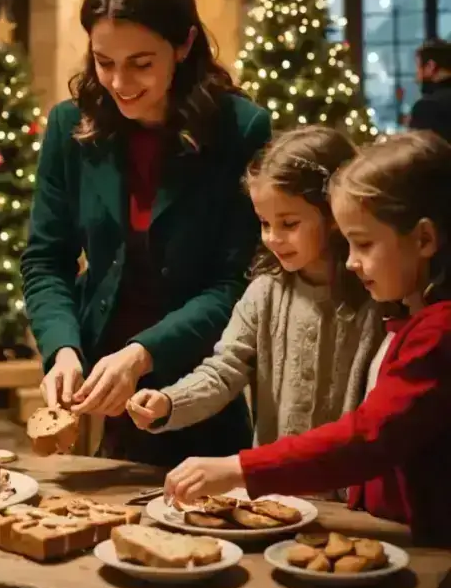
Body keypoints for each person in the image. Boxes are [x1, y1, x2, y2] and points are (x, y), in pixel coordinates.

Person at [20, 0, 271, 467]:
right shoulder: (70, 126)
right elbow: (46, 260)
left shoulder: (239, 129)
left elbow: (236, 283)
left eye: (141, 63)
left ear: (184, 44)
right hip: (106, 383)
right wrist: (62, 347)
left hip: (203, 380)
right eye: (103, 61)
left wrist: (143, 353)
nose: (118, 83)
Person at [164, 131, 451, 547]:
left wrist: (240, 469)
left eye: (364, 244)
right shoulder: (408, 317)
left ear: (424, 239)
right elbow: (224, 367)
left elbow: (367, 438)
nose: (352, 261)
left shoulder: (435, 333)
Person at [127, 126, 384, 454]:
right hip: (276, 491)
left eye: (289, 224)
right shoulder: (263, 294)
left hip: (351, 498)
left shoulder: (375, 298)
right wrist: (168, 402)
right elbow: (223, 371)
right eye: (264, 223)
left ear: (333, 213)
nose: (273, 238)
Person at [404, 39, 451, 142]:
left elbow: (417, 154)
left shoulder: (428, 106)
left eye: (418, 68)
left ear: (430, 66)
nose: (417, 79)